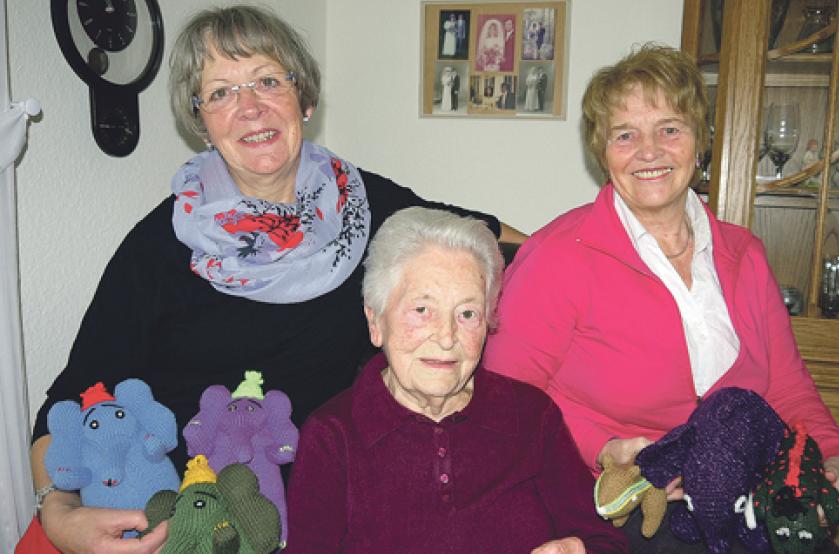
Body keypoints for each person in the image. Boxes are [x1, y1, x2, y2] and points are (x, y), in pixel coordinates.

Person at [28, 5, 524, 553]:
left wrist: (594, 242)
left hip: (327, 499)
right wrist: (57, 511)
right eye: (220, 92)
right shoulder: (161, 243)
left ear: (304, 99)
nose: (248, 107)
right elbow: (70, 398)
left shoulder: (363, 205)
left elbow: (477, 234)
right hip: (190, 507)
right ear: (201, 121)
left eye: (267, 80)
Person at [483, 43, 839, 552]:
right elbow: (504, 400)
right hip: (626, 507)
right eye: (625, 135)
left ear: (698, 142)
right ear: (602, 153)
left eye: (670, 128)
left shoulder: (745, 254)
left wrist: (836, 457)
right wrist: (605, 447)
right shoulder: (559, 256)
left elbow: (788, 389)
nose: (649, 150)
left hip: (747, 499)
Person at [284, 207, 628, 553]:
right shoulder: (333, 436)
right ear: (375, 322)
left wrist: (579, 550)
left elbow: (607, 542)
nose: (446, 337)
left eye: (467, 314)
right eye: (422, 310)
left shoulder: (531, 415)